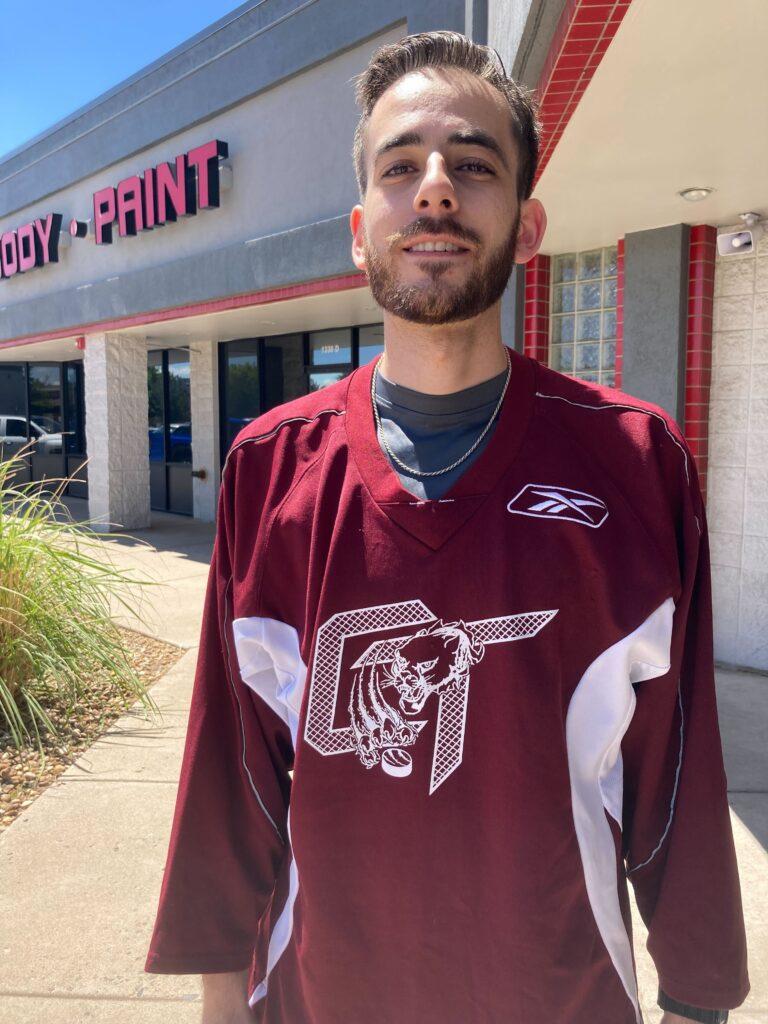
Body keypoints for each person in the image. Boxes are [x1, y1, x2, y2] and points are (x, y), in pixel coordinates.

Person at [144, 30, 750, 1024]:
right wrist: (221, 1000)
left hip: (564, 998)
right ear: (357, 227)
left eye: (473, 165)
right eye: (402, 168)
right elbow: (231, 770)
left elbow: (678, 768)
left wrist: (698, 997)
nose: (435, 189)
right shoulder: (269, 466)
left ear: (529, 221)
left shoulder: (638, 463)